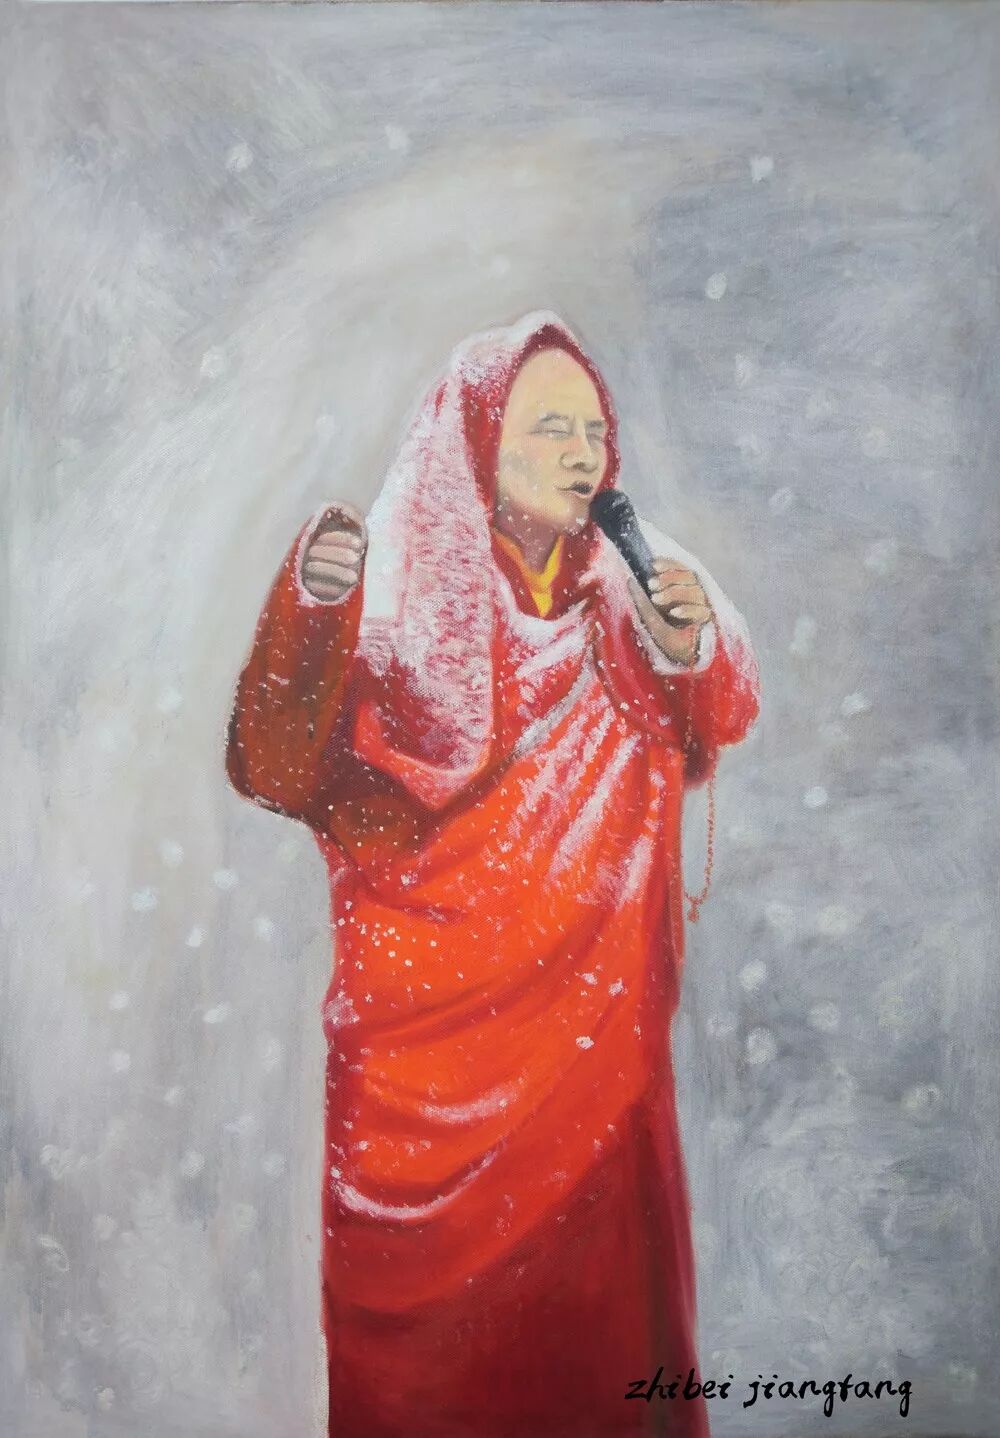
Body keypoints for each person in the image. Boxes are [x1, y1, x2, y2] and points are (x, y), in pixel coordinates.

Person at [226, 310, 759, 1438]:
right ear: (476, 443)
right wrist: (312, 611)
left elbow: (719, 711)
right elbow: (274, 765)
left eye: (595, 431)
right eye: (550, 429)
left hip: (595, 1095)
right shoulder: (397, 607)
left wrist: (688, 648)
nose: (583, 455)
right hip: (419, 1102)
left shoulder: (634, 598)